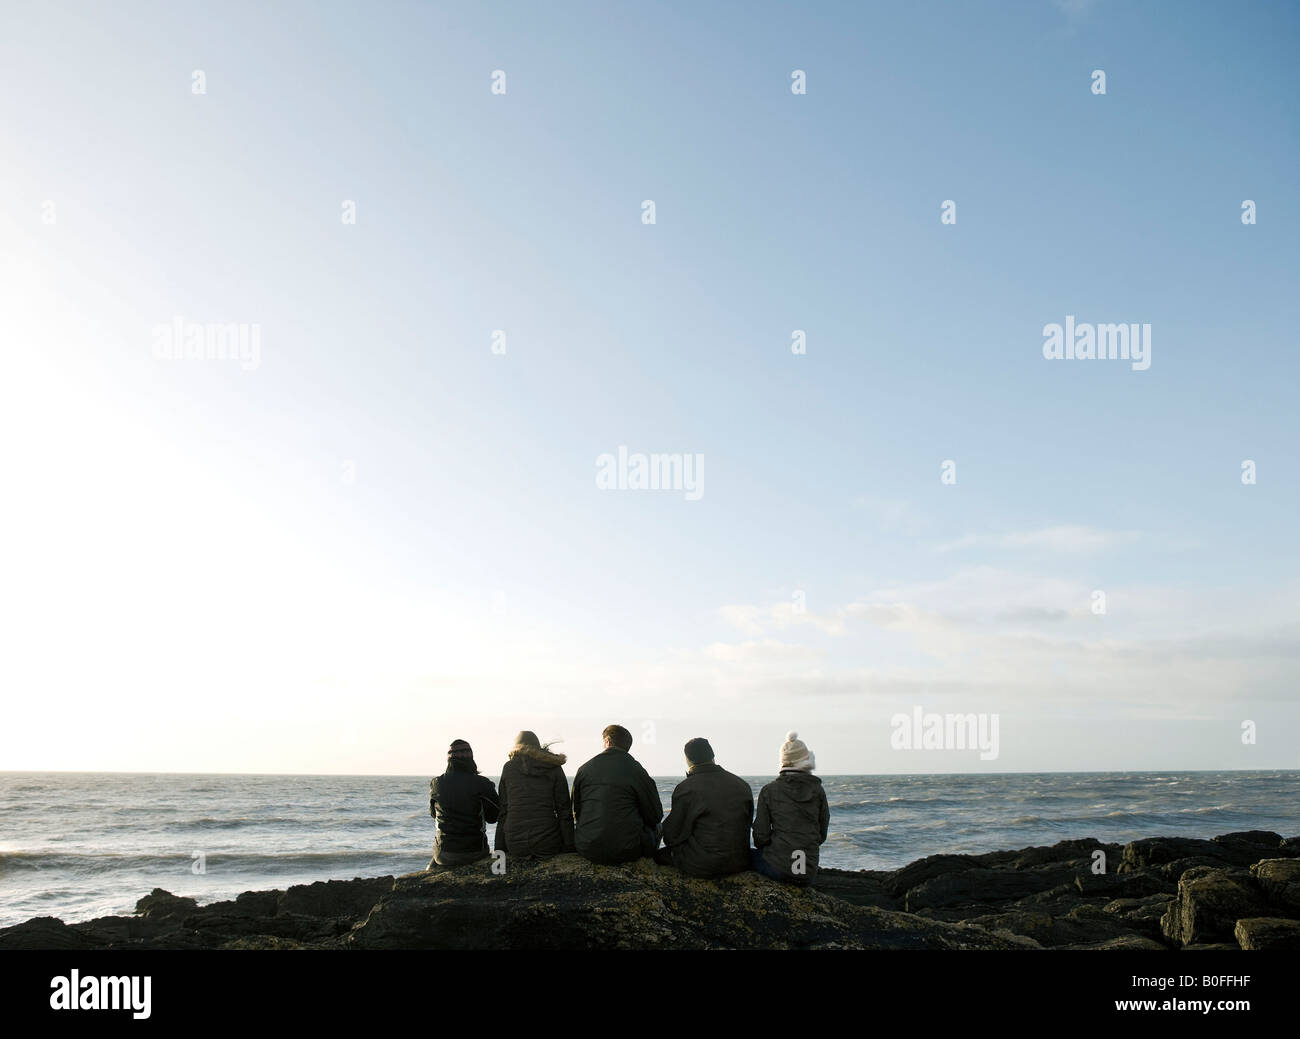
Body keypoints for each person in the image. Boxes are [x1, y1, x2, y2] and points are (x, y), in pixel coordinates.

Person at [660, 737, 754, 878]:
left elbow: (672, 835)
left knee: (658, 856)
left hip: (702, 865)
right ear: (712, 755)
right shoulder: (742, 784)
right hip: (740, 862)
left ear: (688, 759)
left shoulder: (686, 788)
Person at [571, 724, 663, 864]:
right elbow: (655, 815)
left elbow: (576, 811)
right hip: (628, 851)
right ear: (627, 746)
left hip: (587, 848)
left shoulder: (584, 769)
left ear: (607, 741)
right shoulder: (637, 770)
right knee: (658, 826)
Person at [752, 732, 829, 886]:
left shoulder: (769, 790)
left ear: (782, 762)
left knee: (746, 856)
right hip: (807, 872)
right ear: (807, 761)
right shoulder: (818, 790)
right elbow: (821, 834)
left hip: (778, 869)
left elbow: (761, 837)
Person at [494, 730, 575, 858]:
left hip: (515, 845)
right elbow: (564, 811)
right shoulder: (554, 768)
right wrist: (570, 847)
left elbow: (504, 812)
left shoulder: (508, 768)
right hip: (548, 843)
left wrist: (499, 850)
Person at [428, 739, 500, 868]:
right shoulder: (482, 783)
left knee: (439, 851)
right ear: (471, 759)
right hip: (475, 852)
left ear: (449, 760)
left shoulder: (436, 783)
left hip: (444, 854)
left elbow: (433, 814)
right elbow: (493, 817)